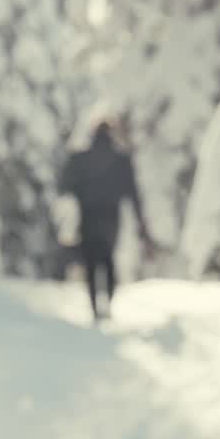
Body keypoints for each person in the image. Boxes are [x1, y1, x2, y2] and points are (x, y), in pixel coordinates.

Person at [59, 121, 154, 321]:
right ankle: (108, 303)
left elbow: (65, 185)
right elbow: (132, 193)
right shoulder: (120, 160)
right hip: (111, 219)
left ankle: (95, 308)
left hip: (88, 217)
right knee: (108, 261)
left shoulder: (81, 158)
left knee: (92, 263)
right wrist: (141, 224)